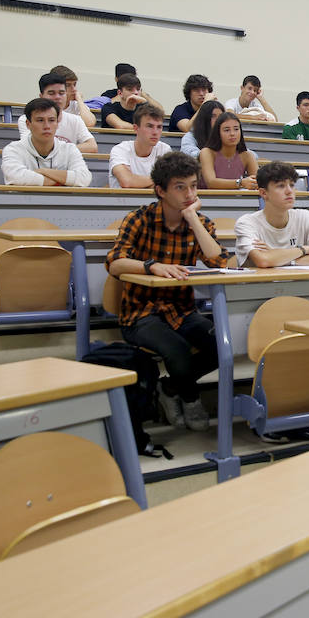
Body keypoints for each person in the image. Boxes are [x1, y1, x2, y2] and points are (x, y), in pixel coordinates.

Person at [105, 152, 229, 431]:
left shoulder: (201, 222)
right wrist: (152, 266)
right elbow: (114, 263)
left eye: (194, 186)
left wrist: (192, 218)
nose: (189, 193)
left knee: (222, 344)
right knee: (178, 350)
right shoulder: (139, 219)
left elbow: (218, 260)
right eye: (180, 187)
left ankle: (170, 388)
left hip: (182, 310)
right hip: (141, 313)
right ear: (160, 190)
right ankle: (191, 397)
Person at [233, 161, 309, 267]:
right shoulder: (247, 223)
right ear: (264, 193)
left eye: (292, 185)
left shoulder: (305, 217)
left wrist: (281, 258)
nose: (289, 191)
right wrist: (304, 249)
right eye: (281, 186)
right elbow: (263, 260)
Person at [2, 98, 92, 187]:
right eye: (40, 120)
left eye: (51, 120)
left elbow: (84, 178)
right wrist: (62, 181)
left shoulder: (70, 149)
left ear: (57, 123)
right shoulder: (13, 149)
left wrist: (44, 171)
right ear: (28, 124)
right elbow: (16, 177)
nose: (47, 126)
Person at [18, 71, 97, 153]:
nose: (57, 97)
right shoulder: (26, 119)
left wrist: (60, 151)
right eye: (51, 93)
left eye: (61, 93)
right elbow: (31, 146)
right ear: (41, 96)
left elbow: (92, 146)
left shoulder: (75, 120)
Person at [109, 103, 172, 188]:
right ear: (136, 128)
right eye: (150, 126)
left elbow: (169, 184)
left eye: (159, 127)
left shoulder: (164, 149)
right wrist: (159, 180)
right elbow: (126, 181)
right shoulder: (120, 149)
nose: (155, 132)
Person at [198, 112, 258, 190]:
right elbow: (211, 183)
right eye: (227, 130)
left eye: (236, 129)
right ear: (218, 133)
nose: (232, 133)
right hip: (206, 199)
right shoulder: (207, 152)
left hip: (235, 200)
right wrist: (241, 183)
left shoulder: (247, 155)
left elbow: (259, 182)